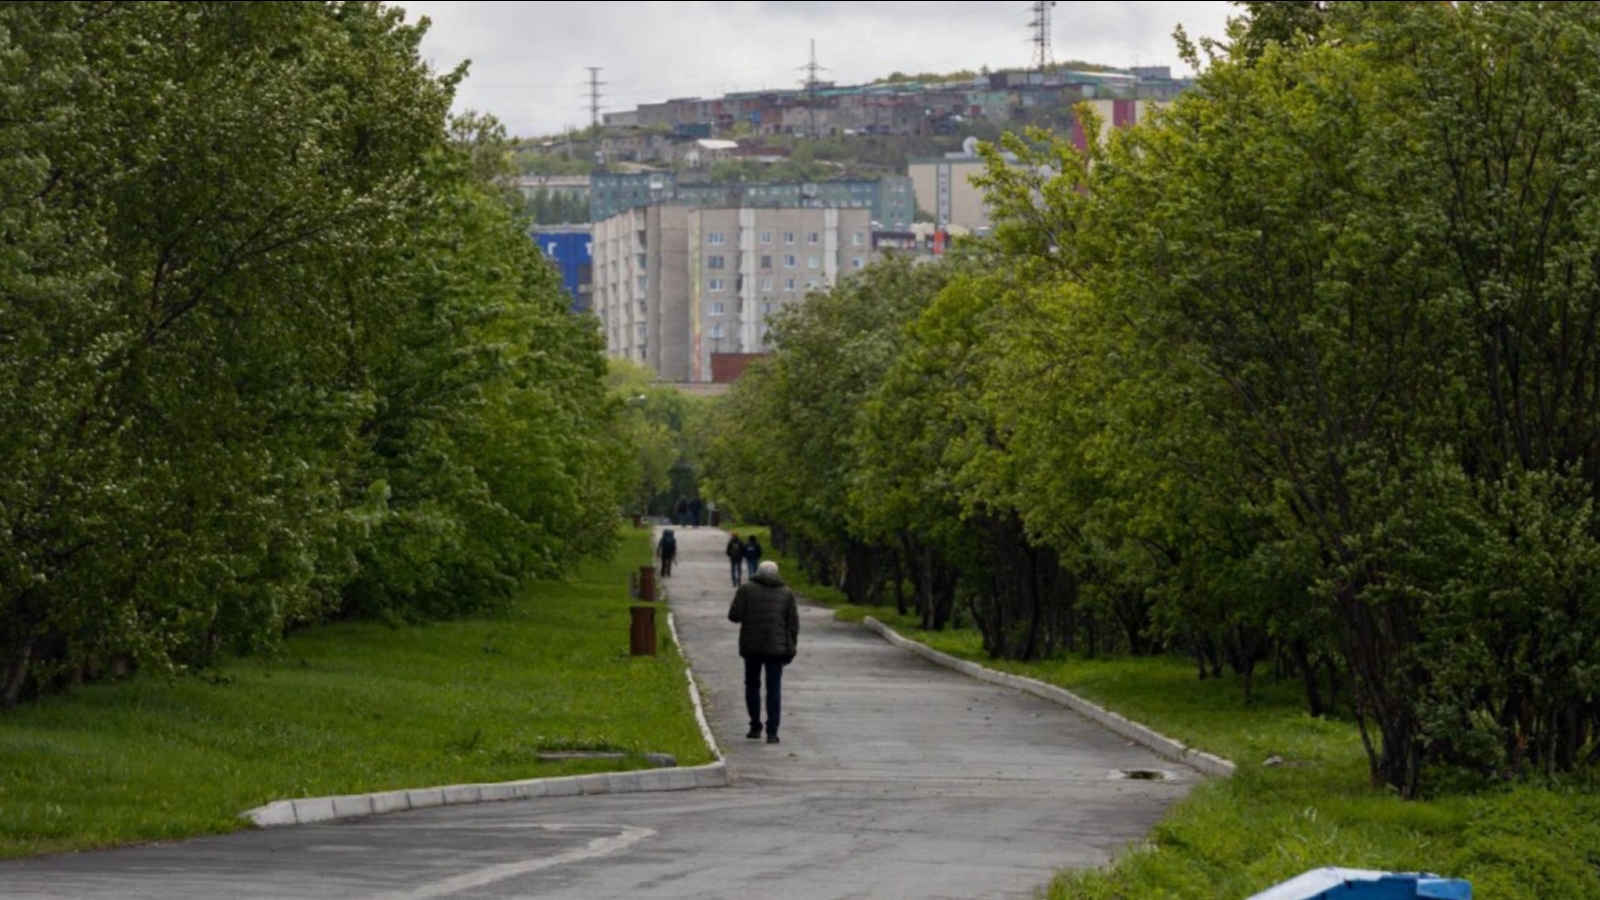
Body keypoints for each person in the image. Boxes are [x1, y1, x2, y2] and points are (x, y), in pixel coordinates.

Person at [728, 560, 799, 745]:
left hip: (752, 647)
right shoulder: (787, 593)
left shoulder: (746, 589)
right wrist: (790, 649)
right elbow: (793, 624)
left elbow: (734, 616)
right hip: (776, 649)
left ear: (758, 572)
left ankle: (754, 726)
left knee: (752, 685)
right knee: (773, 688)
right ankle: (773, 732)